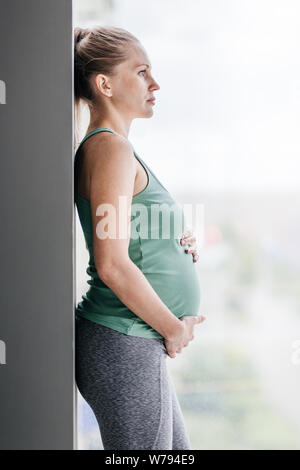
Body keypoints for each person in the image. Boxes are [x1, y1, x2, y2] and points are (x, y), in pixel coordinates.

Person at [74, 25, 206, 450]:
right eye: (142, 71)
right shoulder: (110, 148)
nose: (155, 83)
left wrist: (173, 240)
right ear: (105, 84)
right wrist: (172, 328)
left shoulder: (116, 148)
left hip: (134, 340)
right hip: (124, 339)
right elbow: (112, 263)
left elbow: (130, 235)